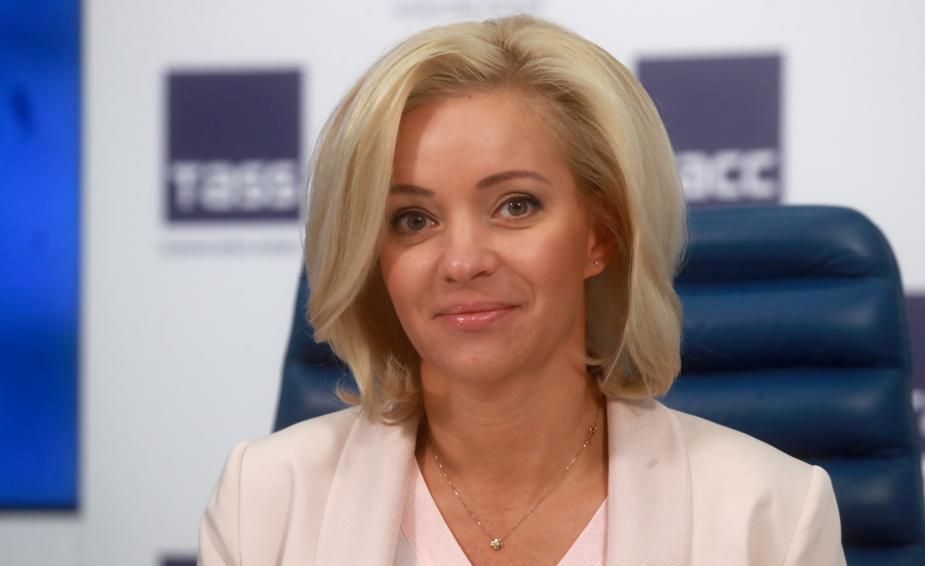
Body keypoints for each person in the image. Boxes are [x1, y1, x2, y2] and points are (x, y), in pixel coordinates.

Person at [199, 14, 845, 566]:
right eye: (413, 220)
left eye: (515, 206)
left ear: (599, 237)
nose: (462, 262)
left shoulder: (772, 512)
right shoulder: (263, 498)